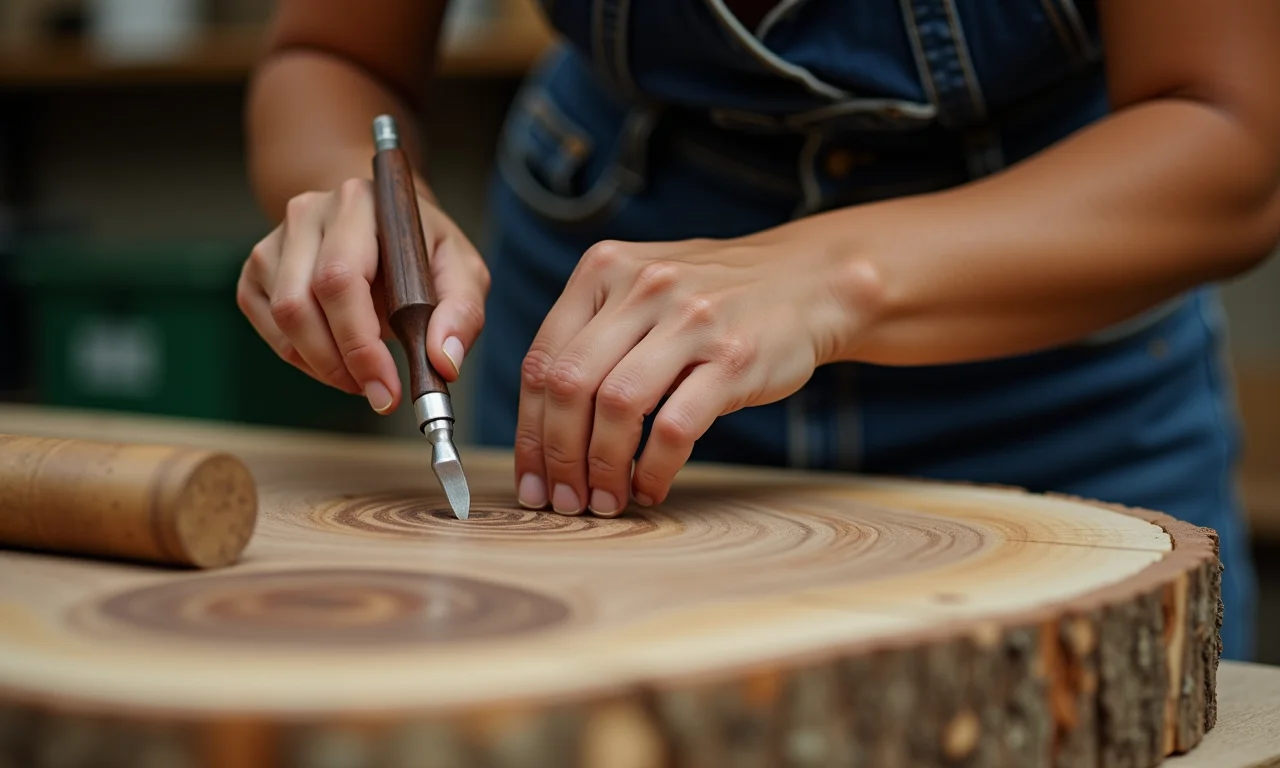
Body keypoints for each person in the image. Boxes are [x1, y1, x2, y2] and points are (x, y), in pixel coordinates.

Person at [237, 0, 1280, 661]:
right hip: (600, 354)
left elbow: (1233, 147)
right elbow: (332, 55)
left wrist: (831, 276)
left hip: (1046, 353)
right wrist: (348, 202)